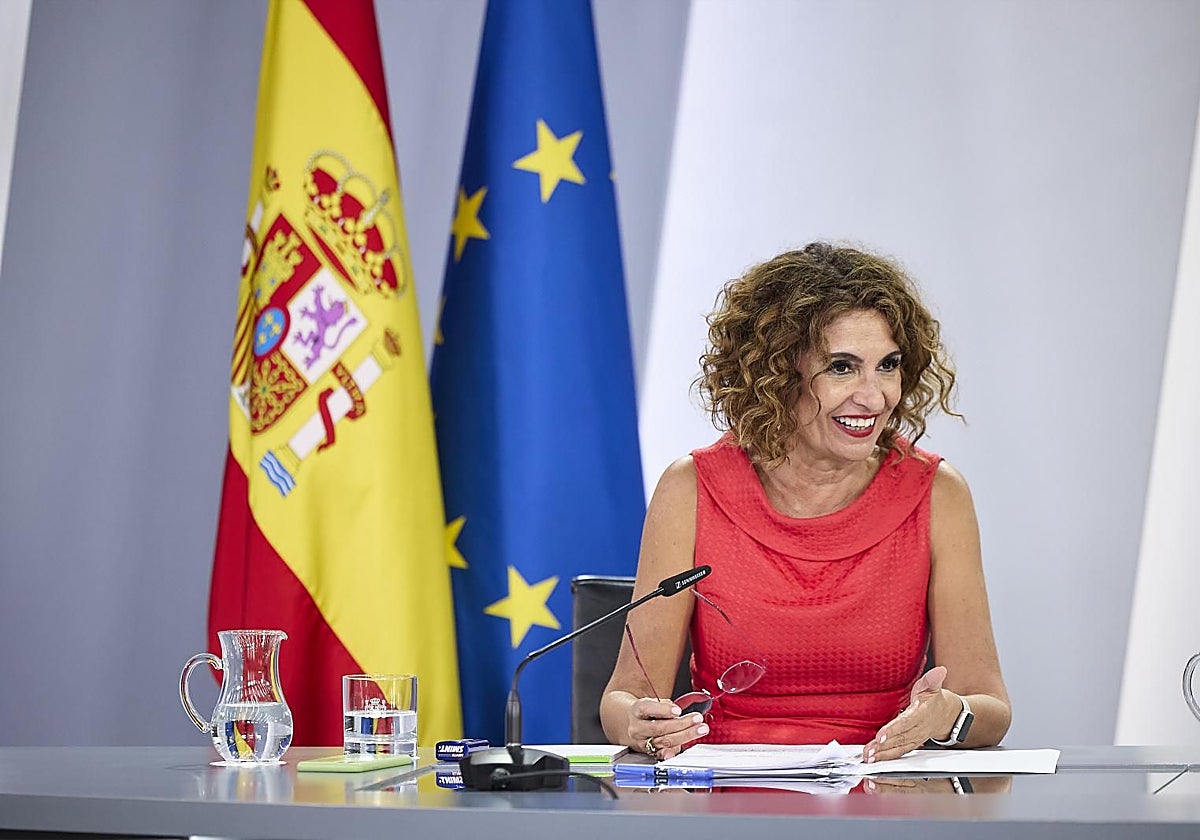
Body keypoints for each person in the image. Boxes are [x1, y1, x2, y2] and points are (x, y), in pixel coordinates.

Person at [600, 242, 1010, 763]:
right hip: (727, 789)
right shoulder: (691, 488)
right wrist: (638, 724)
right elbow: (625, 697)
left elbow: (990, 706)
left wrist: (950, 714)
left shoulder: (937, 492)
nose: (875, 395)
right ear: (777, 374)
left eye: (887, 365)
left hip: (883, 789)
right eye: (842, 368)